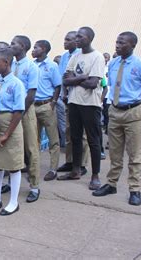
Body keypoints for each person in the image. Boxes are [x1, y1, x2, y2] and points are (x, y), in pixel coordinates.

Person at [93, 32, 141, 206]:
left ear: (133, 45)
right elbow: (113, 85)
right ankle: (111, 184)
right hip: (115, 111)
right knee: (115, 152)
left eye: (122, 43)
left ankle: (134, 189)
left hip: (133, 112)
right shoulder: (112, 63)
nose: (117, 45)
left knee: (134, 154)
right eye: (117, 42)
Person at [58, 26, 105, 191]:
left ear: (89, 38)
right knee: (75, 138)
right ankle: (75, 170)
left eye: (80, 37)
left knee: (93, 141)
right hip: (74, 102)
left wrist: (76, 79)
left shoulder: (97, 57)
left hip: (90, 104)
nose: (77, 39)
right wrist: (83, 77)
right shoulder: (75, 56)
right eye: (76, 36)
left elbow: (93, 84)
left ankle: (95, 176)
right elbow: (65, 80)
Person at [0, 49, 26, 215]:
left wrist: (7, 134)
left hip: (10, 124)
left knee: (13, 164)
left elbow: (18, 111)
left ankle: (13, 202)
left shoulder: (16, 84)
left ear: (6, 63)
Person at [10, 35, 41, 202]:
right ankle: (9, 181)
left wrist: (19, 113)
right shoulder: (10, 63)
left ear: (22, 46)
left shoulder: (31, 67)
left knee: (30, 148)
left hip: (25, 111)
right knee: (11, 146)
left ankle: (34, 185)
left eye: (13, 43)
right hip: (10, 112)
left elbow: (31, 95)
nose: (10, 46)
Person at [57, 31, 90, 175]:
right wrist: (64, 93)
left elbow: (84, 78)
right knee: (69, 132)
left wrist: (73, 79)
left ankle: (81, 164)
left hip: (81, 99)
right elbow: (64, 78)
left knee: (81, 134)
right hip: (68, 98)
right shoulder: (64, 57)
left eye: (68, 39)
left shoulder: (81, 55)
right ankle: (70, 161)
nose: (65, 41)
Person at [31, 40, 62, 181]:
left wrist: (53, 103)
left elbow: (57, 86)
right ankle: (33, 167)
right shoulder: (32, 65)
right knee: (33, 139)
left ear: (43, 49)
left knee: (52, 138)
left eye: (35, 48)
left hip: (46, 105)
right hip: (33, 105)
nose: (33, 50)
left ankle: (53, 168)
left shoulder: (52, 66)